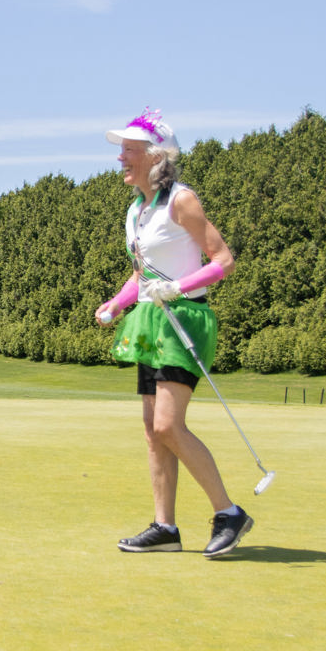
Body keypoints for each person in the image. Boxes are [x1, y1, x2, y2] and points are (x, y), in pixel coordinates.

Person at [94, 109, 254, 558]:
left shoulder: (181, 200)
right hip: (149, 320)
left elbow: (222, 261)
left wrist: (178, 286)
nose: (121, 157)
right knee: (152, 430)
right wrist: (118, 302)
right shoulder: (137, 210)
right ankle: (165, 527)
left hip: (185, 319)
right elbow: (141, 274)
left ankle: (229, 512)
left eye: (129, 149)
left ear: (154, 155)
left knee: (168, 424)